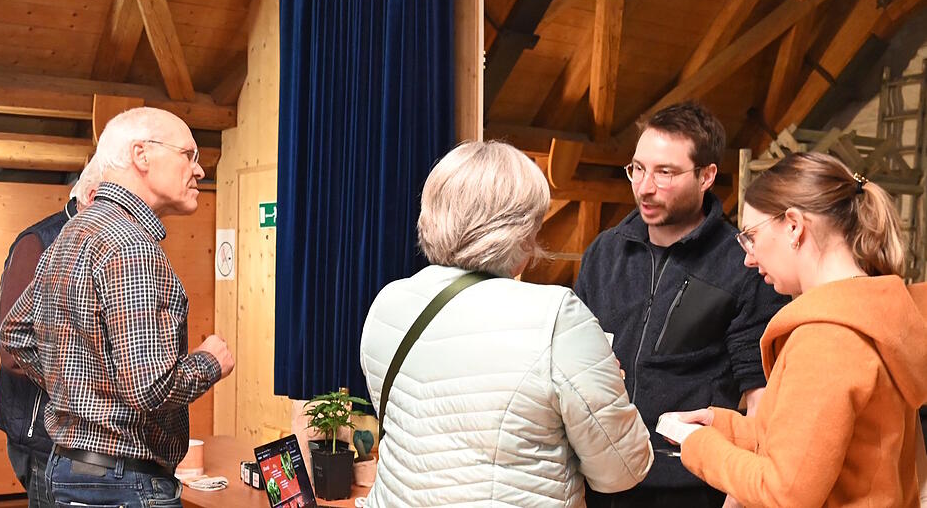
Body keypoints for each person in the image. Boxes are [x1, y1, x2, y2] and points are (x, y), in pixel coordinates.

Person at [360, 140, 654, 507]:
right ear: (518, 229)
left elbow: (415, 425)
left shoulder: (389, 303)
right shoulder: (555, 316)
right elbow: (621, 470)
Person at [0, 107, 234, 508]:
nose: (199, 169)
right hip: (122, 485)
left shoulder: (73, 232)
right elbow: (150, 388)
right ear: (142, 155)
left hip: (71, 471)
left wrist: (82, 393)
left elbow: (16, 335)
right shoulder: (131, 246)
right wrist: (211, 361)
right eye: (188, 154)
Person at [675, 152, 927, 506]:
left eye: (750, 235)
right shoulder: (871, 317)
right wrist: (723, 427)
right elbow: (821, 444)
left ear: (794, 226)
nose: (748, 256)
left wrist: (699, 447)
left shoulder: (828, 339)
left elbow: (785, 493)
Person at [575, 102, 787, 507]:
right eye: (637, 169)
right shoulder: (604, 253)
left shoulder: (743, 264)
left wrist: (739, 494)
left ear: (707, 175)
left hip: (689, 485)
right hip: (601, 478)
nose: (644, 187)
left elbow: (762, 400)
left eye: (665, 173)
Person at [0, 162, 102, 508]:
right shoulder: (38, 243)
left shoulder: (103, 244)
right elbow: (13, 351)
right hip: (44, 439)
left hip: (88, 439)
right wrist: (87, 388)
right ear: (91, 196)